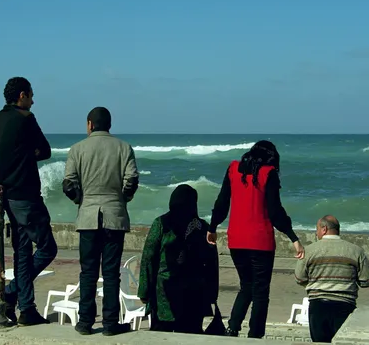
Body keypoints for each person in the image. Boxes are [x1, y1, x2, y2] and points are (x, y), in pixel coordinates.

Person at [206, 140, 304, 338]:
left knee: (246, 285)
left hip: (236, 239)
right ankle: (255, 335)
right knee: (260, 291)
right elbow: (275, 211)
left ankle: (232, 328)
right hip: (261, 241)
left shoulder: (233, 169)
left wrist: (213, 226)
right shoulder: (269, 173)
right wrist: (293, 237)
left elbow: (222, 202)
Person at [62, 107, 139, 336]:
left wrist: (81, 201)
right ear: (109, 125)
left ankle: (85, 322)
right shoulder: (124, 148)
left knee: (88, 272)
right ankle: (110, 323)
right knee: (111, 272)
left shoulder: (77, 149)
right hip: (114, 216)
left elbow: (68, 184)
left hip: (87, 218)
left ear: (89, 124)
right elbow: (131, 180)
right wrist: (122, 199)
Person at [0, 76, 57, 326]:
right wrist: (29, 155)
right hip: (26, 194)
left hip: (6, 195)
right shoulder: (25, 118)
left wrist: (24, 154)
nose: (33, 100)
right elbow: (46, 150)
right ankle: (11, 291)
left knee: (22, 252)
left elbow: (6, 154)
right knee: (48, 248)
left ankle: (27, 308)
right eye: (30, 95)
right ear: (21, 96)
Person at [138, 184, 225, 335]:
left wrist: (144, 292)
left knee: (160, 337)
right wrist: (212, 294)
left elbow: (148, 258)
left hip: (164, 296)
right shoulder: (203, 227)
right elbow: (212, 263)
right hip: (194, 296)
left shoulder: (161, 223)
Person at [295, 215, 369, 343]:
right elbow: (368, 281)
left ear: (324, 229)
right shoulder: (356, 251)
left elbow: (299, 278)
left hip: (317, 306)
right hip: (344, 306)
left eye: (317, 229)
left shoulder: (308, 251)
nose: (316, 233)